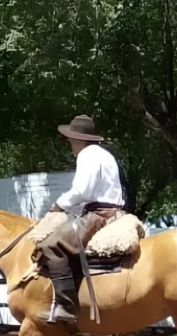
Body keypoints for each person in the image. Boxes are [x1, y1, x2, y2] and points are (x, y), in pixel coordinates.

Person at [34, 115, 125, 324]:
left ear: (78, 139)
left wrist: (58, 205)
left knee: (50, 244)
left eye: (70, 139)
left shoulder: (87, 155)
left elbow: (81, 191)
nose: (69, 144)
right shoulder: (105, 155)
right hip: (112, 210)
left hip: (98, 215)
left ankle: (66, 307)